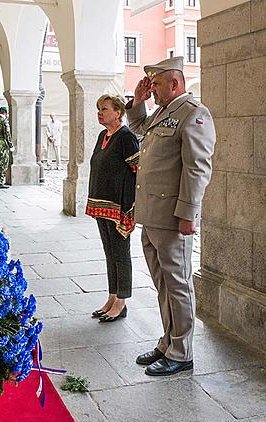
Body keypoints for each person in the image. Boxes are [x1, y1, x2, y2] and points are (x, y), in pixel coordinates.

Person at [126, 57, 215, 376]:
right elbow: (139, 128)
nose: (153, 90)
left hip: (173, 216)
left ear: (174, 84)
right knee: (162, 282)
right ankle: (168, 341)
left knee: (178, 283)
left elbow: (197, 168)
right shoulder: (163, 112)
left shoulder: (193, 114)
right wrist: (137, 103)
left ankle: (182, 351)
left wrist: (189, 214)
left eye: (157, 85)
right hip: (152, 215)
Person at [86, 95, 140, 322]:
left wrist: (130, 206)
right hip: (101, 205)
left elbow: (137, 170)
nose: (100, 113)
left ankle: (121, 302)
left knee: (120, 254)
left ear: (118, 112)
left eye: (104, 109)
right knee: (110, 255)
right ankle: (112, 297)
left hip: (118, 206)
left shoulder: (126, 137)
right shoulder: (102, 135)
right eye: (98, 109)